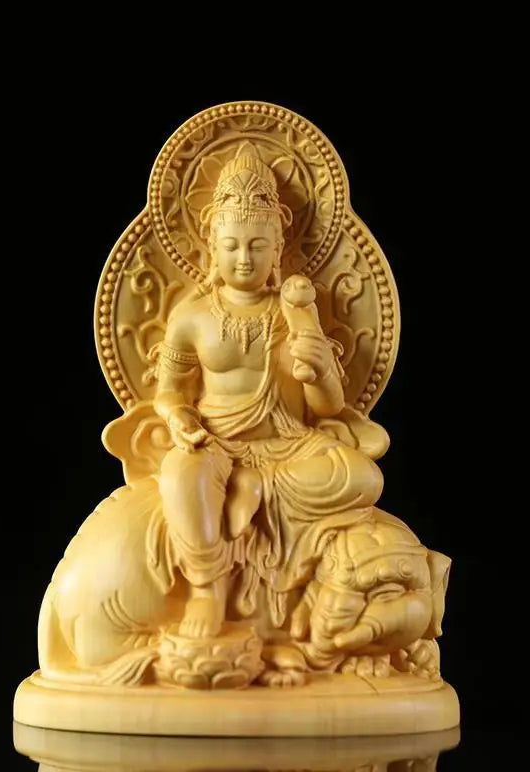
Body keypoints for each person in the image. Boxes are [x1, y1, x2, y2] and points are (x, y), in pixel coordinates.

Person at [152, 147, 385, 638]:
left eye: (258, 246)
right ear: (211, 246)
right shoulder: (191, 316)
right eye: (232, 246)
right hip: (215, 443)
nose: (244, 258)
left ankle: (258, 488)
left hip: (288, 445)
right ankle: (207, 586)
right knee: (177, 475)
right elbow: (168, 393)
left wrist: (319, 371)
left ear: (278, 248)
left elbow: (328, 407)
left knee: (365, 477)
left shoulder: (294, 311)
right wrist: (178, 418)